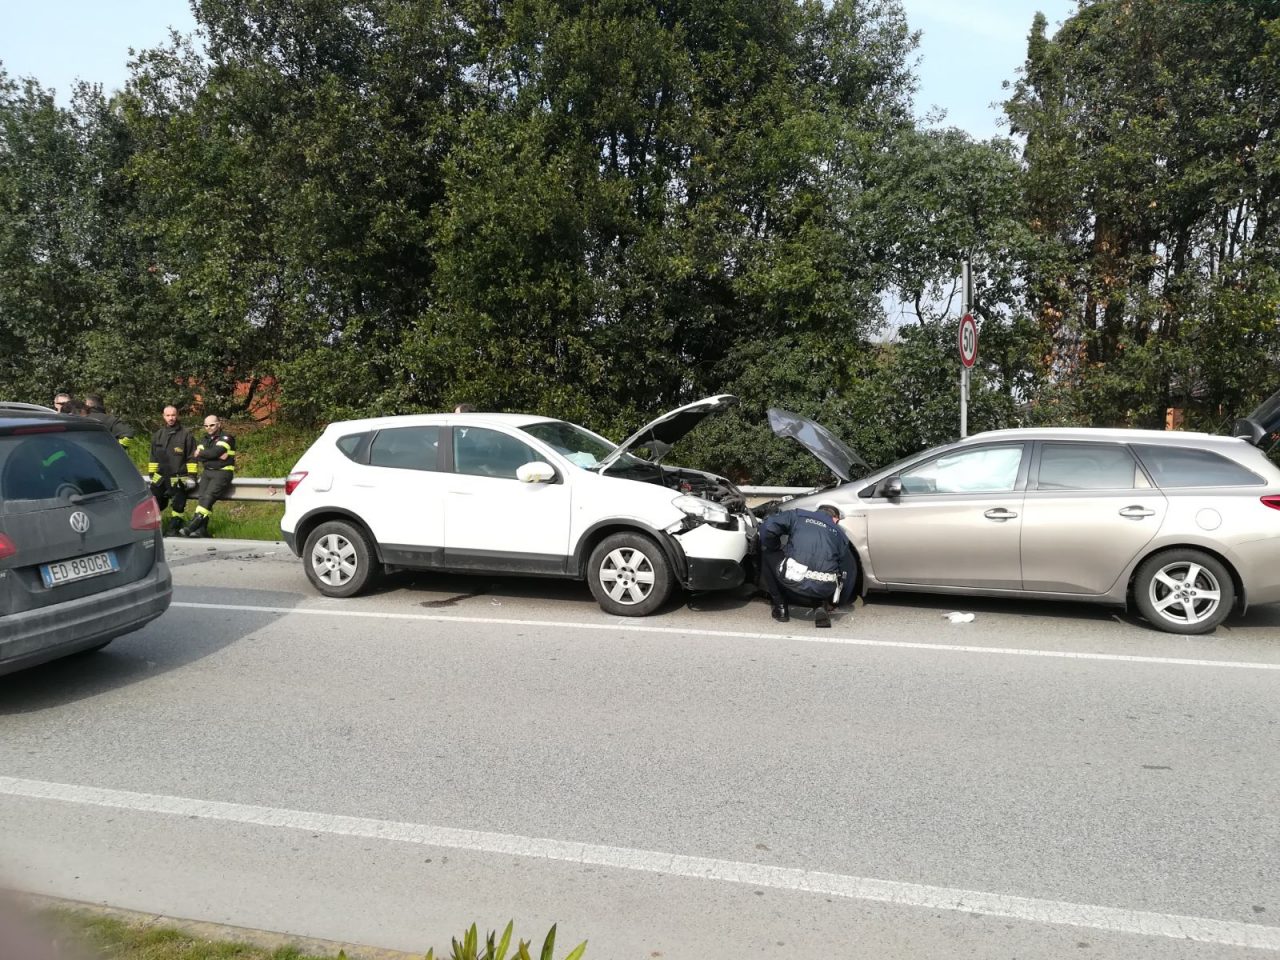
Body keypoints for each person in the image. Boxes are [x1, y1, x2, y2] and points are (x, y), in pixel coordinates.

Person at [757, 503, 857, 627]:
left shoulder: (798, 515)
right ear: (835, 519)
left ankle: (781, 608)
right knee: (825, 568)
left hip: (792, 580)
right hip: (824, 589)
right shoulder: (841, 535)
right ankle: (820, 605)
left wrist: (774, 546)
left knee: (768, 552)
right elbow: (849, 573)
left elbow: (768, 527)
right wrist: (837, 602)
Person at [180, 414, 236, 538]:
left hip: (222, 472)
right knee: (202, 499)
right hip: (207, 472)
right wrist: (212, 455)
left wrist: (204, 453)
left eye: (212, 425)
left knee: (208, 497)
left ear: (219, 424)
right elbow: (199, 456)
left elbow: (214, 453)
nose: (209, 428)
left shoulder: (227, 437)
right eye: (206, 426)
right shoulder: (204, 439)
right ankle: (201, 530)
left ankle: (192, 525)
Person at [147, 405, 199, 536]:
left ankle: (174, 526)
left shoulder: (186, 435)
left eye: (173, 415)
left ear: (177, 415)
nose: (171, 418)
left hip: (178, 477)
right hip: (160, 477)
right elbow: (153, 457)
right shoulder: (158, 435)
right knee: (153, 502)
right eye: (168, 415)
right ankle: (153, 528)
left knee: (178, 504)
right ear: (163, 416)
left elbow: (191, 458)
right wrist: (152, 475)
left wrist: (192, 477)